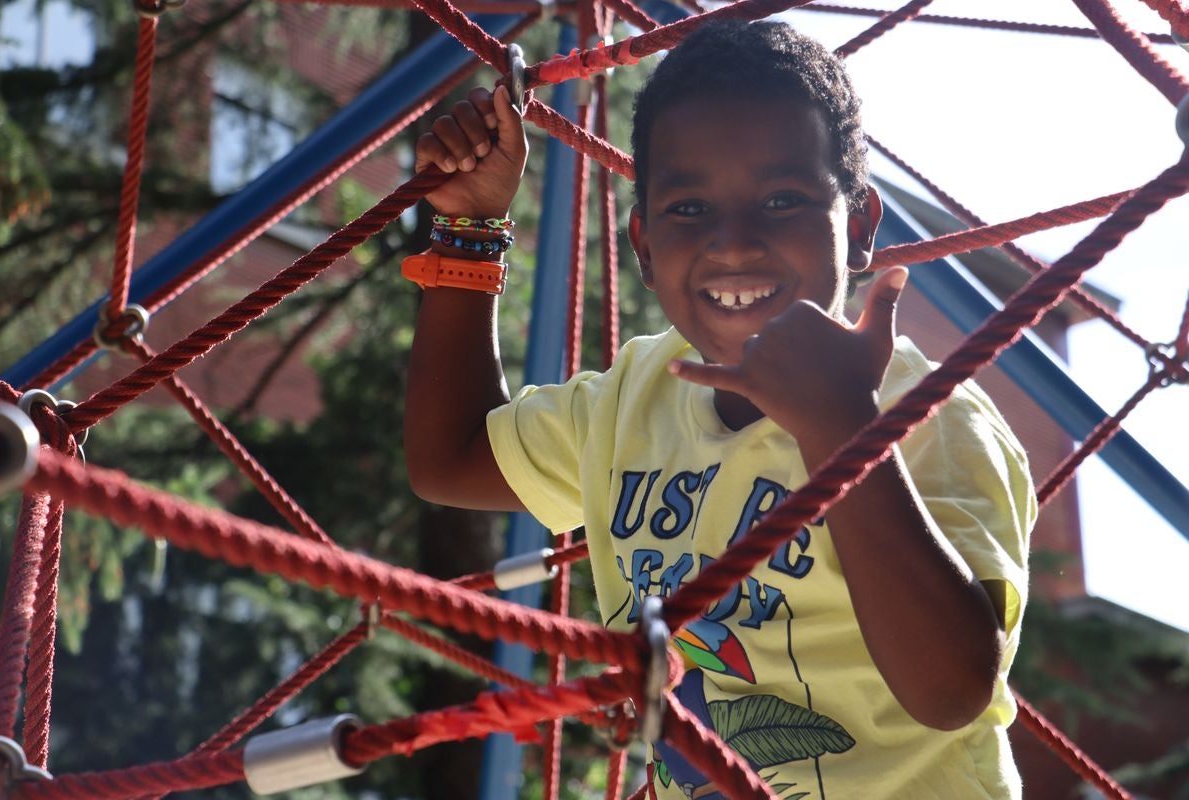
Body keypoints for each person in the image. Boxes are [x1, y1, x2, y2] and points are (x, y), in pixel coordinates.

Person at [403, 20, 1035, 800]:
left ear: (862, 226)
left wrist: (842, 428)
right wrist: (469, 228)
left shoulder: (934, 417)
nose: (733, 243)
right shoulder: (637, 397)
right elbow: (449, 459)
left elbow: (950, 692)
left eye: (781, 199)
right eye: (690, 210)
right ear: (642, 240)